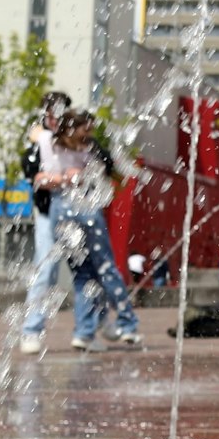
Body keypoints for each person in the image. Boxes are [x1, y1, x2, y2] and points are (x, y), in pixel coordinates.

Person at [46, 110, 142, 350]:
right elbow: (107, 170)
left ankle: (84, 333)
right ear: (76, 128)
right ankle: (127, 325)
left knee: (82, 275)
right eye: (86, 128)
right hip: (84, 205)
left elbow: (45, 175)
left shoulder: (51, 144)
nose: (89, 132)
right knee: (106, 268)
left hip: (60, 209)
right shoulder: (90, 147)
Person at [18, 92, 95, 355]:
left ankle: (86, 332)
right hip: (47, 212)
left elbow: (103, 164)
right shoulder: (38, 144)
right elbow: (37, 177)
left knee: (85, 268)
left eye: (60, 114)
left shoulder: (81, 142)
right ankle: (31, 330)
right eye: (50, 115)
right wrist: (65, 178)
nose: (55, 120)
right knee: (46, 267)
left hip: (78, 212)